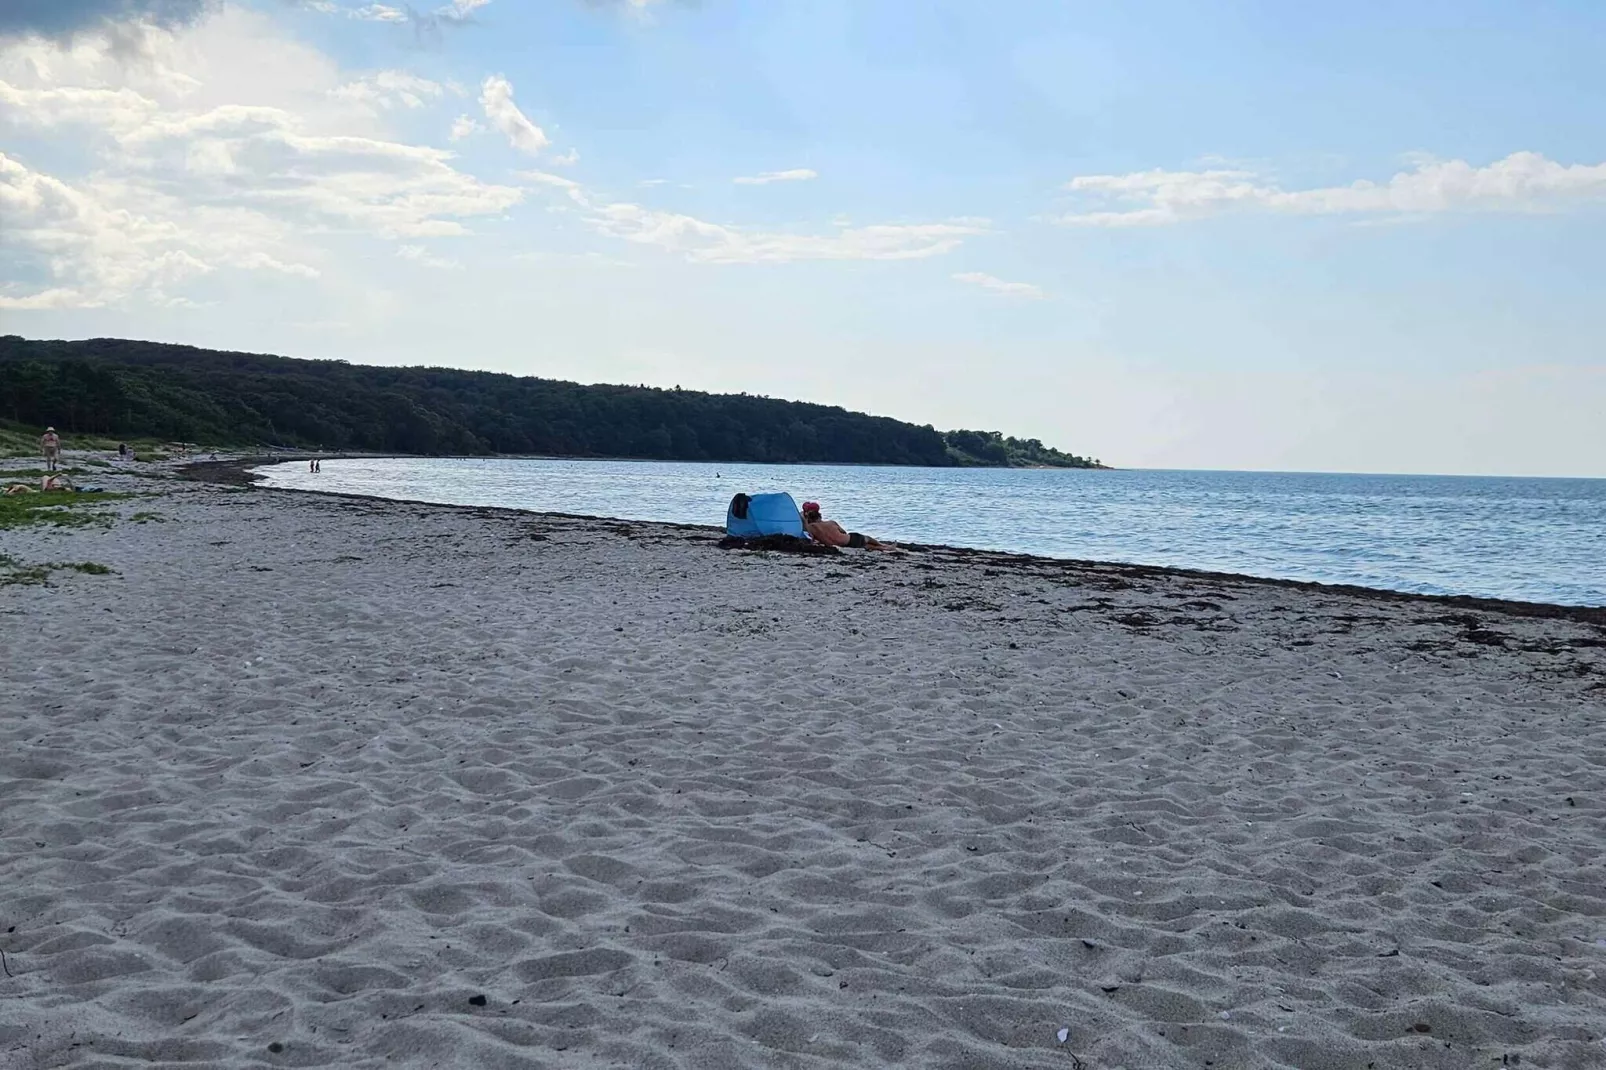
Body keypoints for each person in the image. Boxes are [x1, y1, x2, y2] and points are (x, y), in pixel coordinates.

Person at [800, 500, 893, 550]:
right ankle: (883, 545)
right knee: (866, 539)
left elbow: (811, 540)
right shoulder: (831, 523)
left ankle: (883, 547)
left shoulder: (811, 527)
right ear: (819, 515)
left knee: (865, 546)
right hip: (849, 540)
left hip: (842, 545)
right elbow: (844, 532)